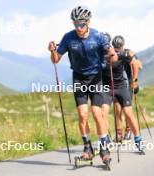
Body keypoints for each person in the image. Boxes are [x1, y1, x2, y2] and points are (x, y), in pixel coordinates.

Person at [48, 6, 117, 163]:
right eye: (75, 24)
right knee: (82, 114)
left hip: (95, 78)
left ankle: (104, 148)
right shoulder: (68, 38)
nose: (78, 28)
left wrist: (112, 55)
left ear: (88, 22)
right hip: (78, 78)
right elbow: (55, 60)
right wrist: (52, 51)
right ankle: (88, 148)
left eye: (81, 24)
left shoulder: (98, 36)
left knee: (96, 112)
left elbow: (113, 58)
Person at [101, 35, 145, 151]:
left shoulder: (126, 53)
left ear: (123, 46)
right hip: (109, 87)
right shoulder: (102, 54)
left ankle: (136, 138)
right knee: (114, 109)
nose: (117, 49)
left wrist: (135, 81)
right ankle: (112, 137)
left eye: (119, 47)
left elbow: (138, 65)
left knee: (128, 112)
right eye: (115, 47)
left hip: (125, 85)